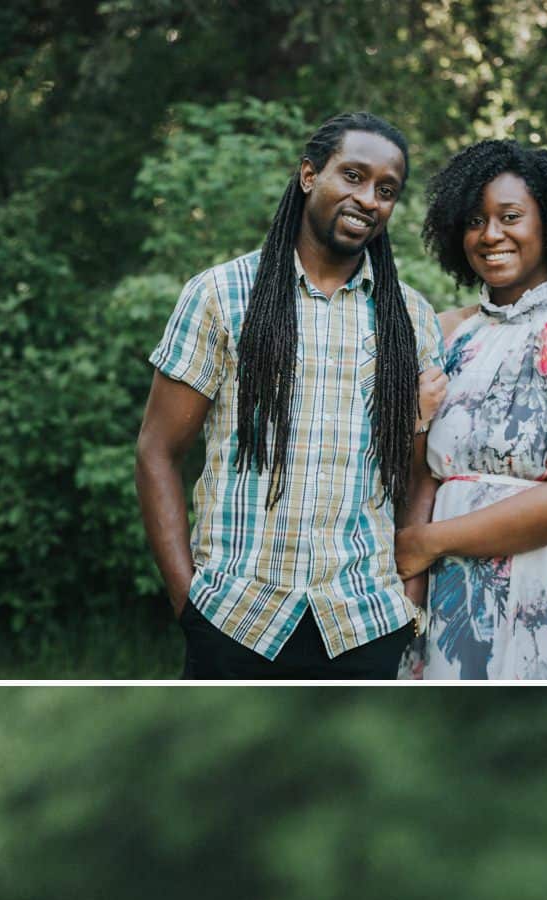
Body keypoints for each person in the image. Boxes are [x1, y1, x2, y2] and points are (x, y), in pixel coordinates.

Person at [136, 114, 443, 680]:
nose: (368, 199)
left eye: (386, 190)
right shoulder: (221, 295)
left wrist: (410, 600)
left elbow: (418, 473)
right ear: (309, 175)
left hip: (365, 622)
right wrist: (189, 604)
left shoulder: (413, 320)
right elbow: (157, 451)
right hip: (235, 616)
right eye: (353, 176)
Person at [394, 140, 547, 679]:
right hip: (443, 582)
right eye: (475, 221)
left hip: (543, 576)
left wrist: (428, 542)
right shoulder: (443, 331)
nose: (490, 235)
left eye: (509, 217)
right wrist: (412, 574)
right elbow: (421, 469)